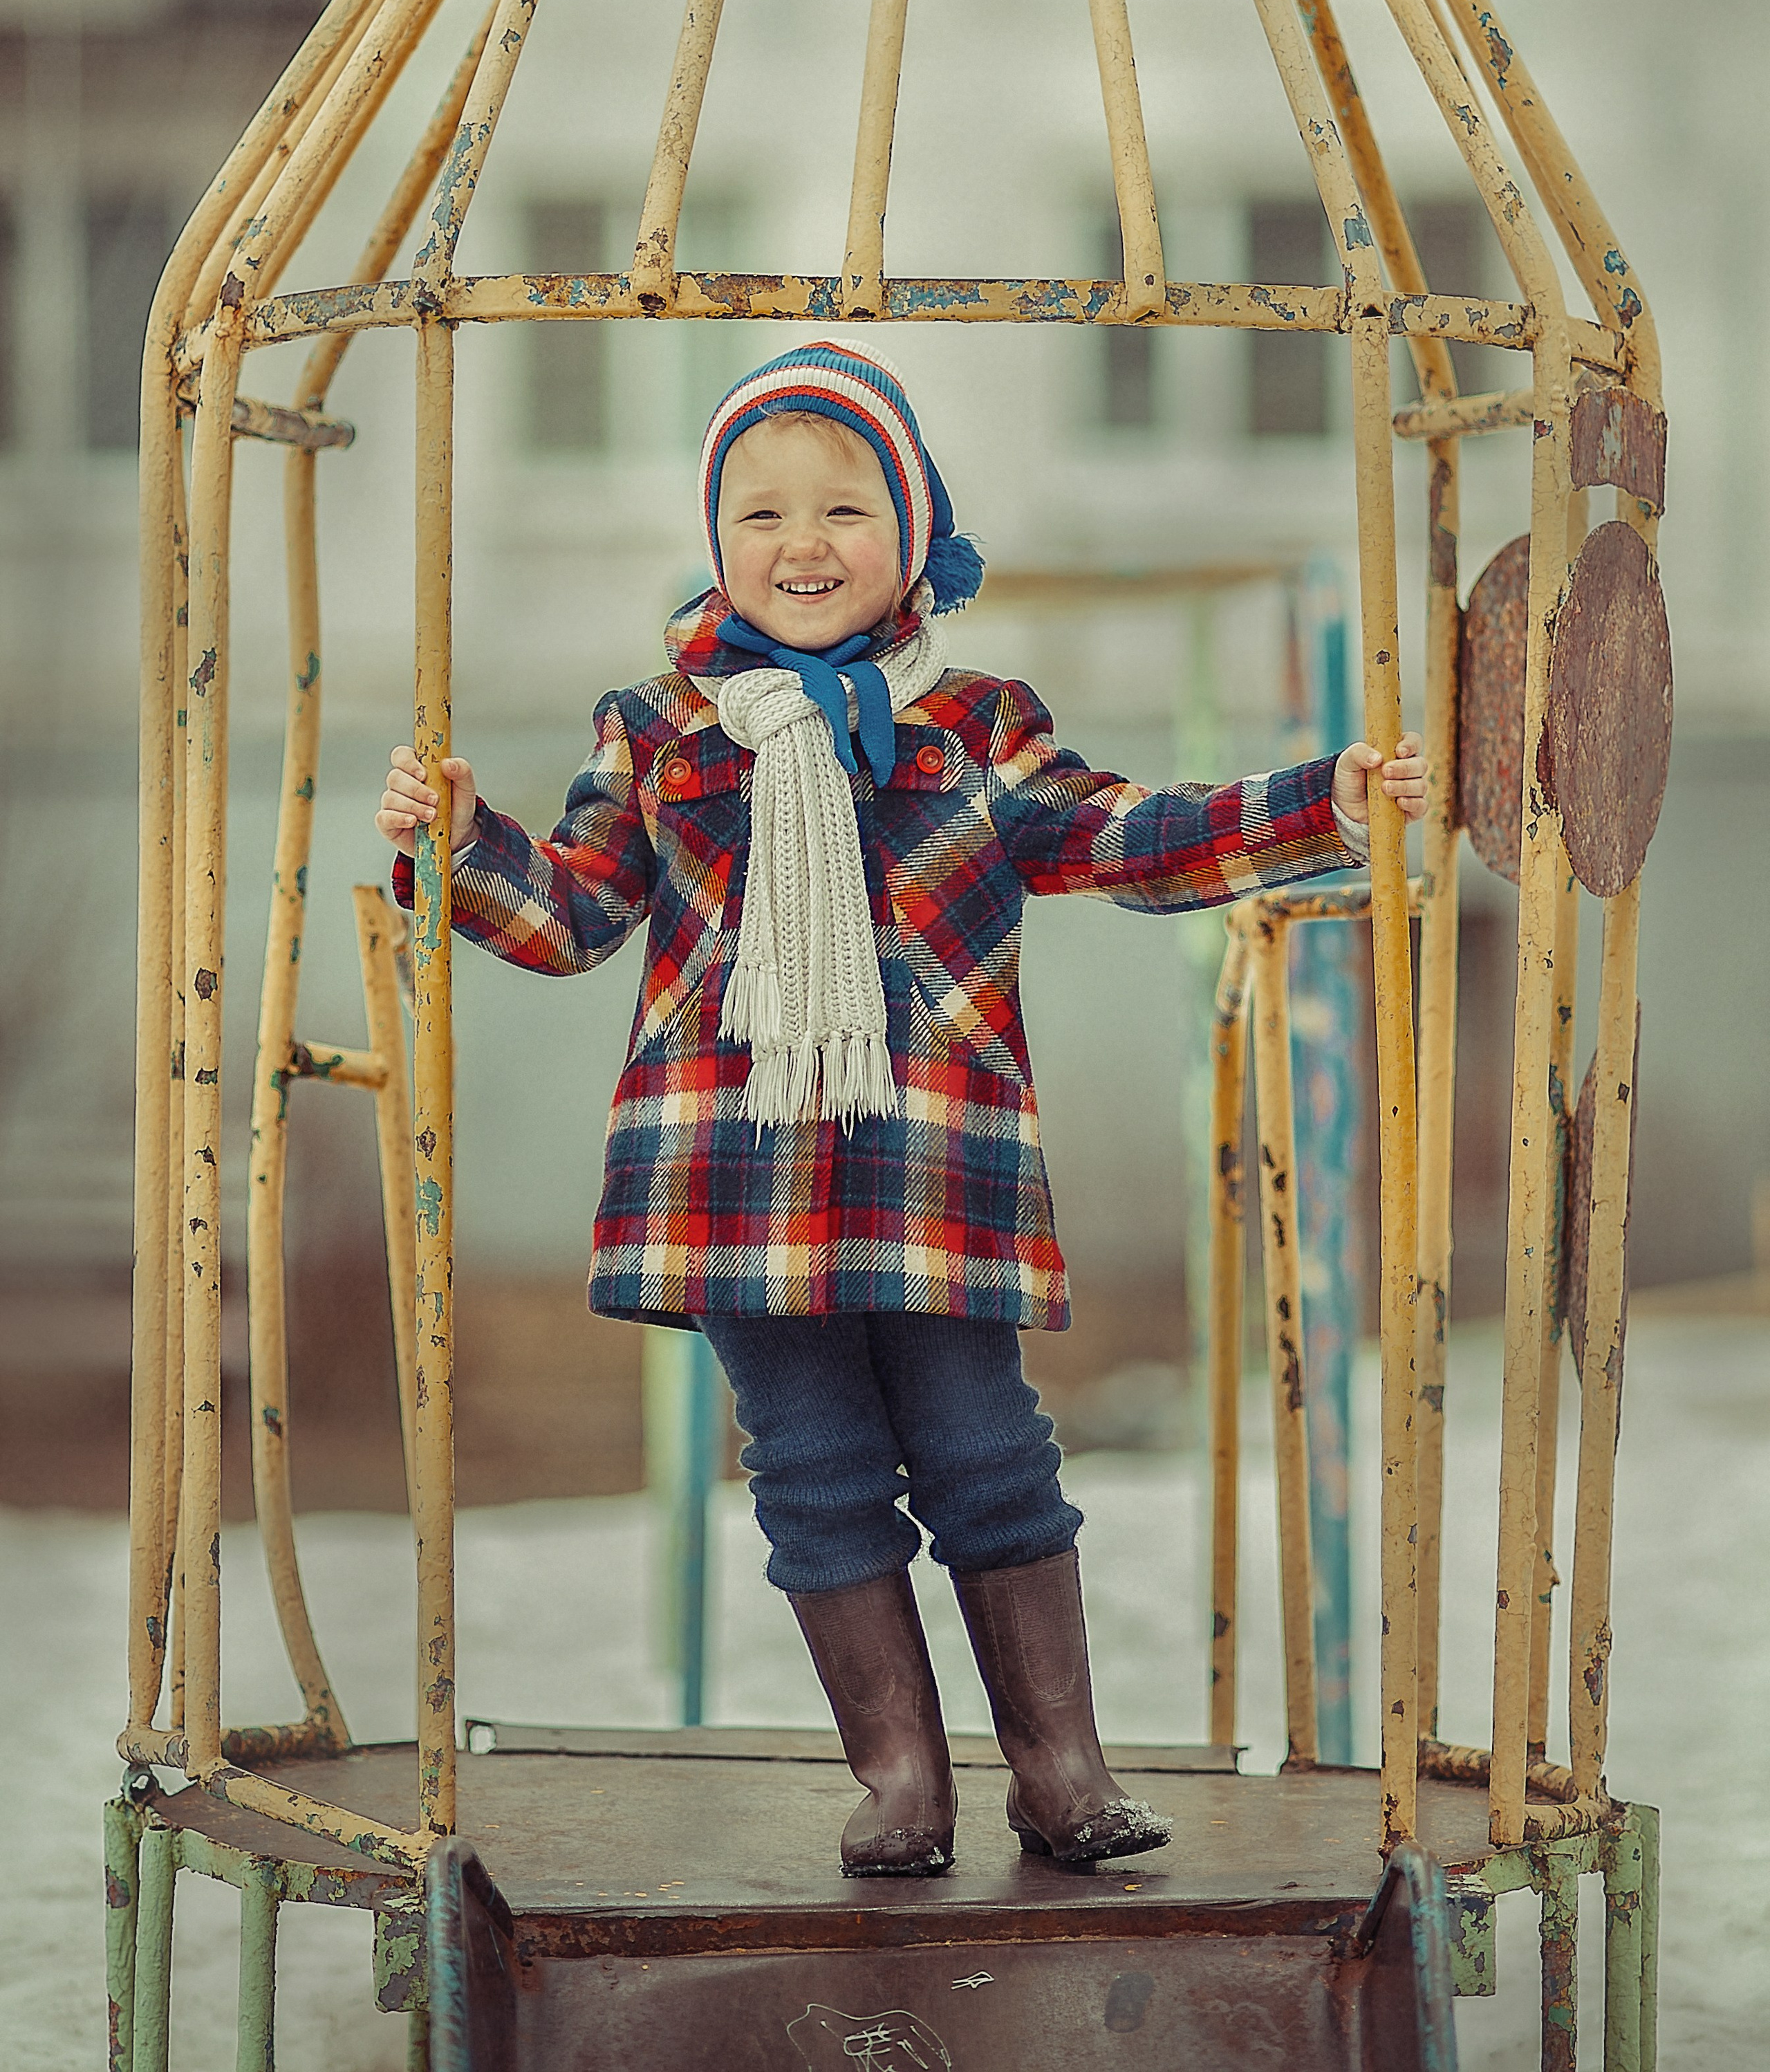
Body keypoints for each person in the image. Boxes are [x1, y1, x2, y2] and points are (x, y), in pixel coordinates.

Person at [378, 339, 1426, 1880]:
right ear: (716, 540)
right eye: (760, 514)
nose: (802, 545)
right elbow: (572, 915)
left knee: (983, 1449)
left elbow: (1125, 835)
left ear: (914, 532)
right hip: (730, 1174)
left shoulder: (978, 725)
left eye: (845, 509)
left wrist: (1314, 802)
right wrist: (462, 841)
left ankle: (1060, 1770)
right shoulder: (662, 733)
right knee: (808, 1467)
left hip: (932, 1166)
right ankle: (897, 1779)